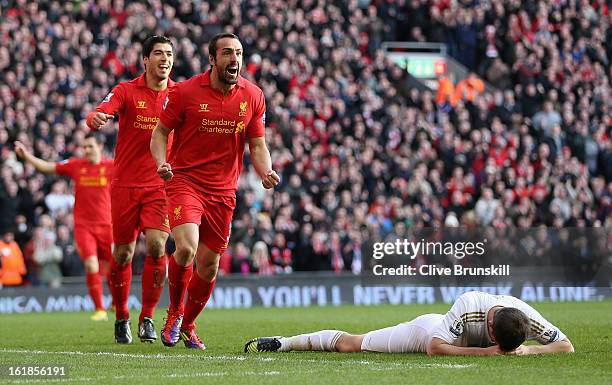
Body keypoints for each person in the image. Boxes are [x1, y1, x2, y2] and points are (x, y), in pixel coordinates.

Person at [151, 32, 280, 349]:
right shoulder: (185, 92)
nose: (234, 58)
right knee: (186, 248)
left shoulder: (253, 96)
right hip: (185, 182)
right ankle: (174, 314)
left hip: (223, 192)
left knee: (208, 266)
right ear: (212, 59)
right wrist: (160, 161)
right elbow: (160, 132)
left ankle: (188, 325)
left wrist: (265, 171)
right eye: (226, 52)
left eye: (238, 52)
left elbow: (258, 144)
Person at [86, 35, 175, 344]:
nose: (165, 59)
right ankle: (122, 316)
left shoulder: (179, 95)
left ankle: (147, 317)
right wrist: (96, 117)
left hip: (160, 185)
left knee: (156, 247)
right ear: (145, 60)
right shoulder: (127, 90)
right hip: (124, 185)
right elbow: (103, 108)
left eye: (169, 54)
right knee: (122, 254)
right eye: (159, 54)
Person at [244, 291, 574, 356]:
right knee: (353, 343)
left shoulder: (525, 317)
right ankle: (285, 341)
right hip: (431, 331)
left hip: (452, 338)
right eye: (497, 344)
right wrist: (487, 354)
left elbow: (565, 345)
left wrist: (529, 351)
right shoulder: (469, 304)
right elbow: (435, 347)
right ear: (491, 332)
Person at [15, 134, 113, 320]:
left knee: (113, 267)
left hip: (107, 225)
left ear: (100, 146)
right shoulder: (76, 165)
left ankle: (118, 303)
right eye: (84, 147)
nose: (87, 150)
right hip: (84, 226)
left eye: (90, 146)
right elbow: (48, 167)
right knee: (91, 263)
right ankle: (100, 309)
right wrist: (27, 155)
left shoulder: (111, 167)